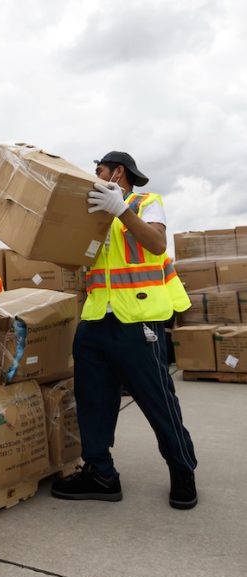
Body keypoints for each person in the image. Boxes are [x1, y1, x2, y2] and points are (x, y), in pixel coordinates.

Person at [50, 151, 198, 509]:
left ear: (118, 172)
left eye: (98, 169)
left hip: (138, 321)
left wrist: (122, 210)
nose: (94, 175)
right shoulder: (92, 215)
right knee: (93, 400)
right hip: (96, 320)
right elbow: (76, 260)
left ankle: (182, 470)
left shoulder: (147, 202)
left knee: (158, 400)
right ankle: (101, 473)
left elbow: (157, 243)